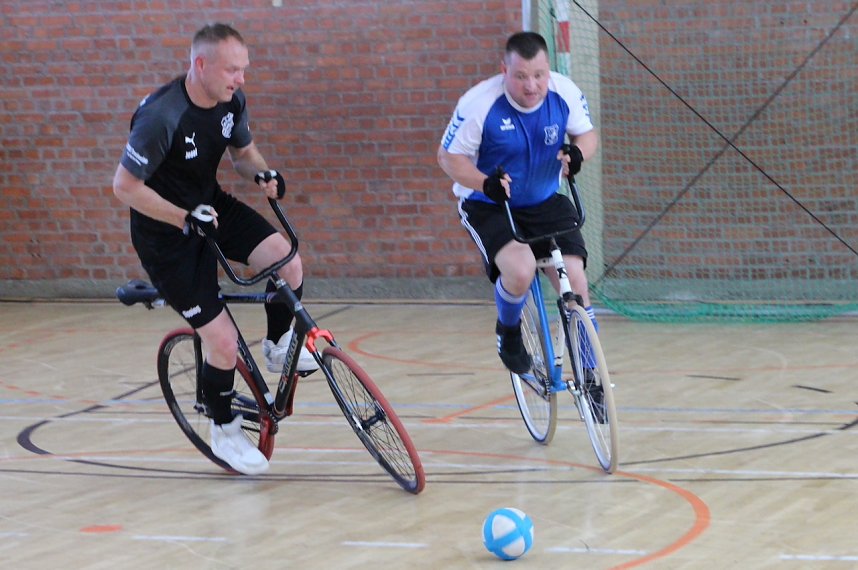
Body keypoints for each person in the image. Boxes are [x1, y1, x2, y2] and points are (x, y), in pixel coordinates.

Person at [113, 23, 317, 475]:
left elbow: (244, 155)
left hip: (210, 207)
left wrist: (263, 174)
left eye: (244, 69)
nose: (240, 79)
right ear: (200, 65)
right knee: (221, 342)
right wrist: (183, 218)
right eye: (232, 69)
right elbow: (124, 187)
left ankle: (279, 343)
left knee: (288, 261)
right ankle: (223, 428)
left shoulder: (231, 101)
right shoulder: (161, 116)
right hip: (166, 235)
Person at [437, 31, 602, 395]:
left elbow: (587, 136)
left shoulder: (565, 93)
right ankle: (509, 331)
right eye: (521, 76)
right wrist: (485, 183)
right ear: (505, 71)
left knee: (574, 278)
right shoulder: (479, 104)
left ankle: (592, 377)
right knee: (521, 269)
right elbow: (448, 158)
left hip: (544, 199)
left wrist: (578, 154)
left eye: (539, 75)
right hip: (490, 204)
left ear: (548, 70)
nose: (532, 86)